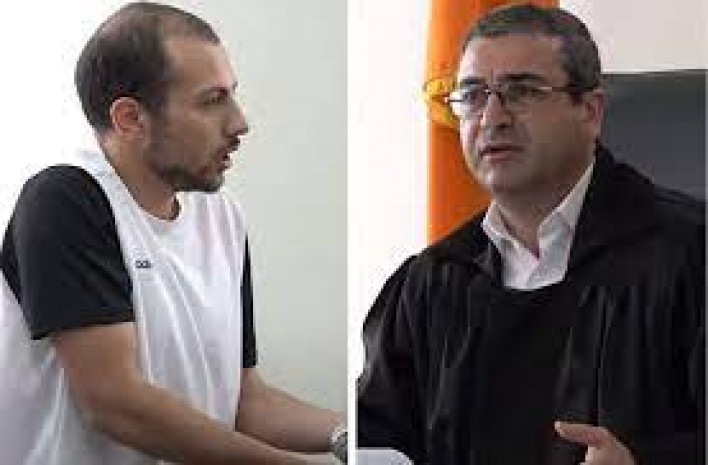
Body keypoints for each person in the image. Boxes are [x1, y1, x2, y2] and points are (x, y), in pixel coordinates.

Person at [357, 4, 704, 464]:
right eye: (472, 95)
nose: (491, 117)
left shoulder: (691, 255)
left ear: (590, 111)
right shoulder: (430, 282)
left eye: (520, 91)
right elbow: (375, 440)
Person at [0, 2, 346, 464]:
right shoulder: (64, 200)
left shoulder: (221, 216)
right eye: (212, 101)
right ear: (130, 118)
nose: (240, 123)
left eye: (232, 95)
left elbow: (244, 401)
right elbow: (115, 402)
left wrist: (347, 436)